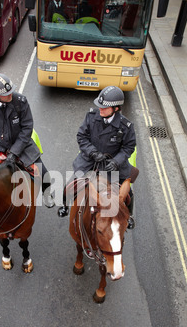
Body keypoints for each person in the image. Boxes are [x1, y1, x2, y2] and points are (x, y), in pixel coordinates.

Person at [57, 86, 137, 229]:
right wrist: (93, 152)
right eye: (99, 106)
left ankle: (129, 215)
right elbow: (81, 137)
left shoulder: (126, 126)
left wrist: (116, 162)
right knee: (70, 183)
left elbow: (128, 147)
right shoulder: (91, 116)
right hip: (90, 159)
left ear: (116, 109)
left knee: (128, 193)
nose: (100, 109)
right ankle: (64, 205)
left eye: (104, 107)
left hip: (112, 164)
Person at [0, 73, 55, 208]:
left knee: (44, 173)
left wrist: (14, 153)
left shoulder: (21, 102)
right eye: (7, 93)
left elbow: (27, 128)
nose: (11, 94)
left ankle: (47, 193)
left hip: (21, 146)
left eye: (11, 90)